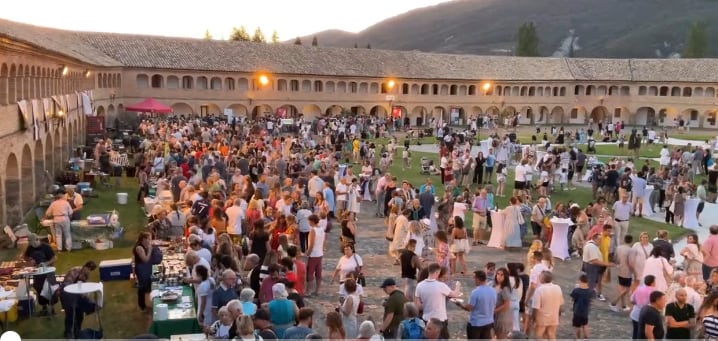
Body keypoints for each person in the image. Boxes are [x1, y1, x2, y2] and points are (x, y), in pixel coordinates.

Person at [415, 263, 461, 339]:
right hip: (440, 320)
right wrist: (458, 286)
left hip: (426, 319)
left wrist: (428, 304)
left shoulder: (419, 285)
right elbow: (455, 294)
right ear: (436, 272)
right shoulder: (441, 286)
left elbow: (418, 305)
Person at [60, 261, 97, 338]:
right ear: (85, 266)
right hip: (66, 293)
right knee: (71, 312)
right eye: (88, 269)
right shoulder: (74, 270)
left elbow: (83, 288)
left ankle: (78, 330)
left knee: (80, 312)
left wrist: (85, 294)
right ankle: (68, 332)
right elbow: (67, 285)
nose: (88, 271)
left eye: (90, 270)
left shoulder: (86, 276)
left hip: (76, 294)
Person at [23, 233, 57, 315]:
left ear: (38, 240)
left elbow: (54, 258)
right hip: (37, 273)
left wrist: (46, 263)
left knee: (50, 289)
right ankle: (44, 308)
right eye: (31, 243)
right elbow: (25, 256)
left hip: (48, 272)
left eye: (34, 243)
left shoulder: (46, 247)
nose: (33, 245)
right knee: (39, 289)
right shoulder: (30, 248)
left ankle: (52, 308)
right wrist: (30, 259)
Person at [456, 270, 495, 340]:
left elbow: (469, 308)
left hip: (476, 323)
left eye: (474, 278)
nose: (474, 280)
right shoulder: (493, 290)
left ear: (477, 279)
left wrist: (460, 305)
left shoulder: (475, 292)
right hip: (489, 322)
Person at [531, 271, 564, 341]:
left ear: (542, 279)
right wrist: (559, 315)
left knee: (539, 336)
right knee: (551, 334)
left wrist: (534, 319)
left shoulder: (539, 290)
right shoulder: (557, 288)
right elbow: (561, 304)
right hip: (554, 317)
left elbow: (535, 307)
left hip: (542, 318)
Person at [133, 232, 154, 312]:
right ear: (144, 239)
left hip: (145, 268)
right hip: (141, 269)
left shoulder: (143, 246)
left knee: (147, 285)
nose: (150, 241)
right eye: (149, 239)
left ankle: (146, 304)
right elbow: (145, 260)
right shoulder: (139, 248)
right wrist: (150, 250)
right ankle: (142, 306)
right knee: (142, 287)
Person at [570, 274, 594, 341]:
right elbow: (591, 300)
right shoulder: (590, 291)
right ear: (588, 281)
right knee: (585, 324)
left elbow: (573, 299)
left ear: (580, 281)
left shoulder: (576, 290)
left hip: (577, 311)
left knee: (577, 326)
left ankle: (577, 338)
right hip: (585, 311)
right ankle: (586, 337)